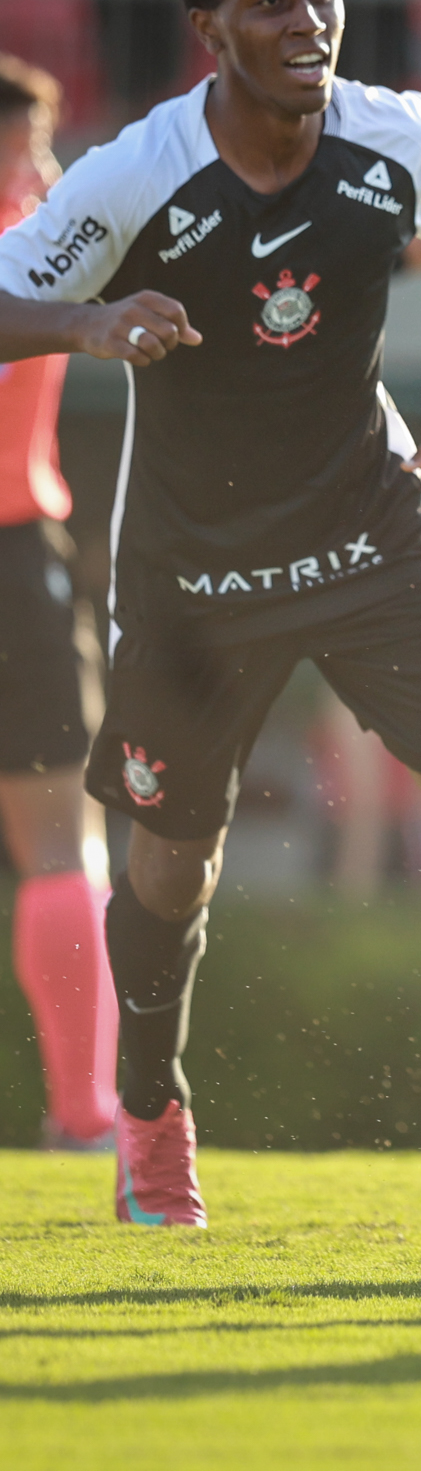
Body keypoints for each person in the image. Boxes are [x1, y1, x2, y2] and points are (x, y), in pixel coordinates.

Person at [0, 0, 421, 1227]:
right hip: (192, 575)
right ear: (210, 28)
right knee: (169, 869)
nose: (306, 17)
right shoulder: (135, 175)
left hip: (370, 530)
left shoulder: (395, 136)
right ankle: (150, 1118)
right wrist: (84, 328)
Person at [0, 56, 115, 1152]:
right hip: (10, 553)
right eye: (27, 141)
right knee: (53, 839)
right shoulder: (38, 242)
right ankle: (85, 1110)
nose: (42, 166)